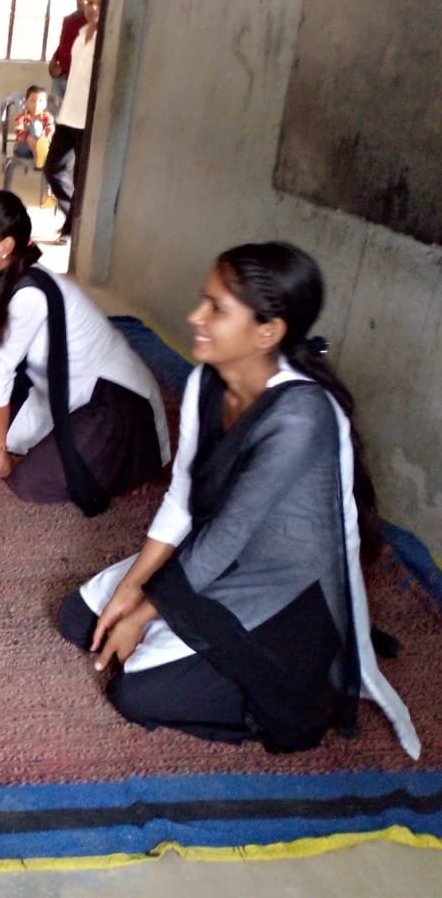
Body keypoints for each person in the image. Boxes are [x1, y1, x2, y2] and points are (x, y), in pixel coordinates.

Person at [59, 242, 419, 758]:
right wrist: (133, 586)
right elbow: (183, 498)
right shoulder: (207, 380)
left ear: (267, 332)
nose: (196, 316)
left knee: (135, 690)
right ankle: (178, 630)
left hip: (276, 584)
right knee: (79, 619)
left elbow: (228, 537)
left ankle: (302, 682)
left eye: (217, 308)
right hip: (211, 554)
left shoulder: (300, 416)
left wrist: (140, 613)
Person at [0, 191, 169, 516]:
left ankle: (130, 466)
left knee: (30, 482)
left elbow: (2, 371)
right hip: (62, 390)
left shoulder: (29, 294)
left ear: (5, 246)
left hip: (114, 399)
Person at [44, 0, 103, 244]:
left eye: (99, 3)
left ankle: (72, 228)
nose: (93, 8)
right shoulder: (80, 33)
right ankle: (74, 219)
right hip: (69, 115)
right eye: (89, 2)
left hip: (88, 121)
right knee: (53, 169)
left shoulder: (107, 38)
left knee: (82, 177)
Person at [47, 0, 96, 107]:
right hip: (60, 76)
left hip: (76, 79)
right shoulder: (69, 20)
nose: (80, 1)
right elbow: (63, 44)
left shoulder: (91, 26)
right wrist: (53, 61)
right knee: (55, 111)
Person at [10, 85, 55, 169]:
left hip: (42, 147)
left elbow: (50, 132)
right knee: (34, 125)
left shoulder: (47, 117)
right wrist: (28, 139)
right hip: (24, 148)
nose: (36, 104)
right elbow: (19, 133)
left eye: (40, 101)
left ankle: (39, 153)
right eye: (32, 100)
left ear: (45, 104)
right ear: (26, 102)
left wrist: (43, 139)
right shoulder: (21, 117)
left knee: (38, 128)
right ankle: (37, 155)